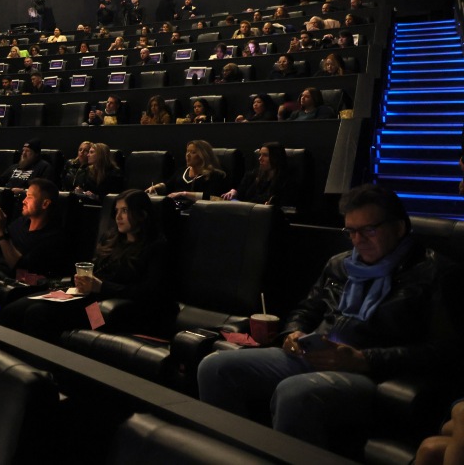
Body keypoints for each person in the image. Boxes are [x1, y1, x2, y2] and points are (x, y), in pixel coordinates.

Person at [197, 185, 463, 455]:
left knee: (295, 393)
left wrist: (364, 358)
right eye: (351, 231)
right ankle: (231, 456)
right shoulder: (340, 264)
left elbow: (445, 351)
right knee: (215, 367)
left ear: (399, 227)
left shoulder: (434, 273)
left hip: (368, 373)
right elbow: (306, 310)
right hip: (311, 355)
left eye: (369, 230)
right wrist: (293, 333)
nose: (358, 240)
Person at [0, 190, 177, 342]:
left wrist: (102, 287)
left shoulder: (156, 247)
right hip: (84, 298)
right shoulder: (112, 240)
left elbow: (149, 293)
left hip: (108, 313)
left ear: (142, 215)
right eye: (116, 211)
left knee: (38, 314)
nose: (118, 217)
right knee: (14, 309)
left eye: (125, 211)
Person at [146, 139, 227, 201]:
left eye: (193, 152)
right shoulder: (181, 171)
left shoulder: (214, 175)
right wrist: (156, 187)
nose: (188, 155)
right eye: (187, 151)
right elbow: (168, 185)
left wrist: (184, 194)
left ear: (203, 155)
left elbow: (213, 197)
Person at [221, 142, 288, 205]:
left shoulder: (286, 180)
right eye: (260, 155)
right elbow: (240, 195)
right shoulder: (252, 175)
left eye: (265, 155)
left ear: (276, 158)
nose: (260, 158)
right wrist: (234, 192)